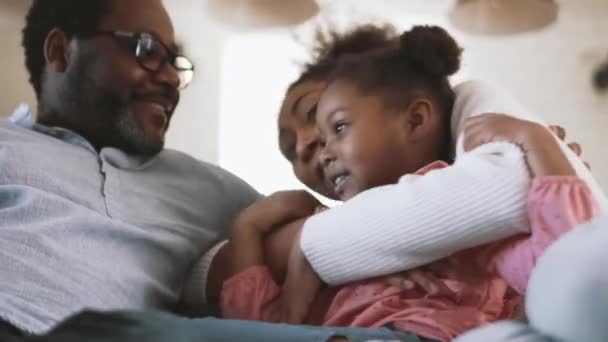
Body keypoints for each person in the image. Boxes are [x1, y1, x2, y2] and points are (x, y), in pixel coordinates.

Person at [0, 1, 409, 342]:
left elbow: (348, 229)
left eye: (175, 61)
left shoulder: (211, 188)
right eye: (146, 50)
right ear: (60, 52)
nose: (172, 79)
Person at [218, 26, 601, 342]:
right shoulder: (325, 246)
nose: (310, 146)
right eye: (289, 150)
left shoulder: (463, 216)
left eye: (334, 125)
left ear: (415, 119)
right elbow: (263, 325)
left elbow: (561, 257)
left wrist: (539, 145)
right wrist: (246, 229)